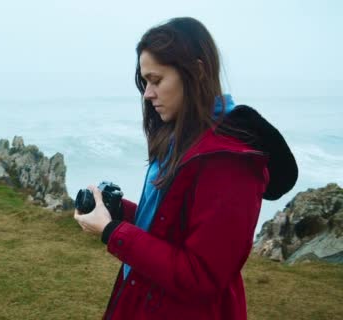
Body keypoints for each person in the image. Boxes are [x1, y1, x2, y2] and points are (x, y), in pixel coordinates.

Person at [73, 17, 297, 320]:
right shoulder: (182, 140)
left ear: (198, 71)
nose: (147, 94)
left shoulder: (230, 162)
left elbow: (200, 276)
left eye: (157, 80)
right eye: (145, 82)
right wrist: (116, 211)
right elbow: (169, 227)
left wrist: (113, 232)